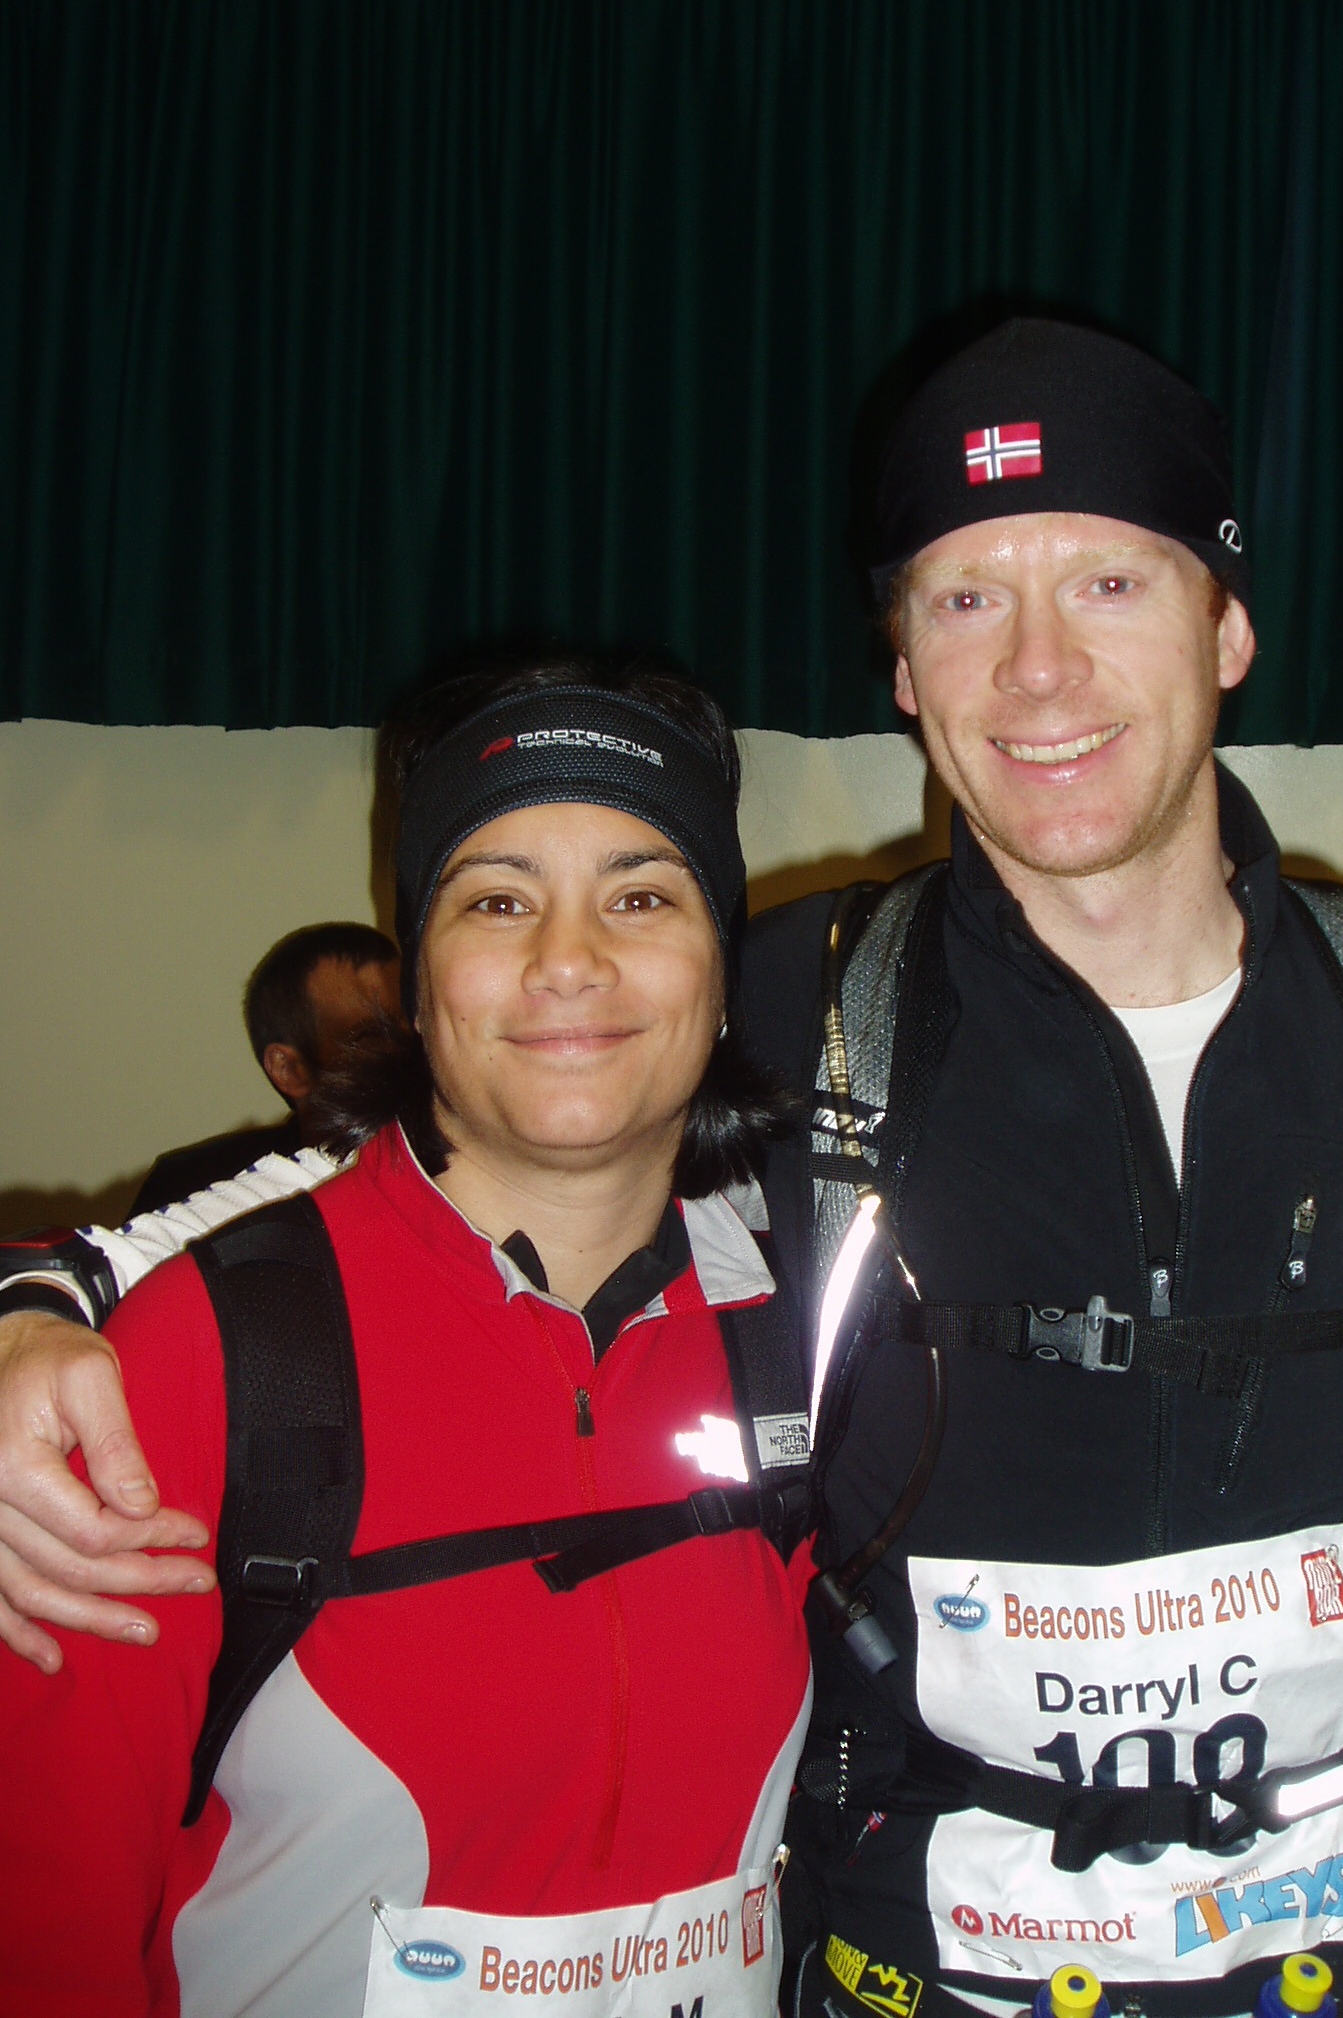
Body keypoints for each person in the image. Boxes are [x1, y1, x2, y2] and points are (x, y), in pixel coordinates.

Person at [0, 319, 1343, 2018]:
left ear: (1226, 627)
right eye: (966, 600)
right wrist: (53, 1288)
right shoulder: (799, 1011)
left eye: (1106, 583)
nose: (1037, 669)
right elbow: (442, 1149)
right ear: (901, 672)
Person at [0, 658, 812, 2015]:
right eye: (497, 898)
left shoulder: (811, 1332)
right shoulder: (205, 1355)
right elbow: (45, 1933)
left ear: (723, 975)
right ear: (420, 986)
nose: (570, 959)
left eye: (641, 895)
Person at [130, 923, 401, 1211]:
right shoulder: (196, 1195)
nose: (414, 1053)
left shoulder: (436, 1176)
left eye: (422, 1026)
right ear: (289, 1070)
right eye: (373, 1039)